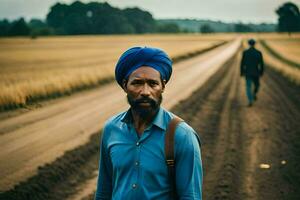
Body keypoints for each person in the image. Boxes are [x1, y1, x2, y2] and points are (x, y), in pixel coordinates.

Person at [95, 47, 203, 200]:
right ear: (125, 85)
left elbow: (190, 196)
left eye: (153, 84)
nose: (145, 91)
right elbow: (104, 191)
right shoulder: (111, 129)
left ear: (163, 86)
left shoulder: (182, 136)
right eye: (137, 83)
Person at [240, 39, 264, 107]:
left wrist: (242, 72)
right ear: (254, 44)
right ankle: (254, 94)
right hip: (256, 72)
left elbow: (242, 63)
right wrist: (261, 72)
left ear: (248, 44)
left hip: (247, 72)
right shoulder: (258, 52)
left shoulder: (245, 52)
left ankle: (250, 100)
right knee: (257, 85)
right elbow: (261, 64)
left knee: (248, 87)